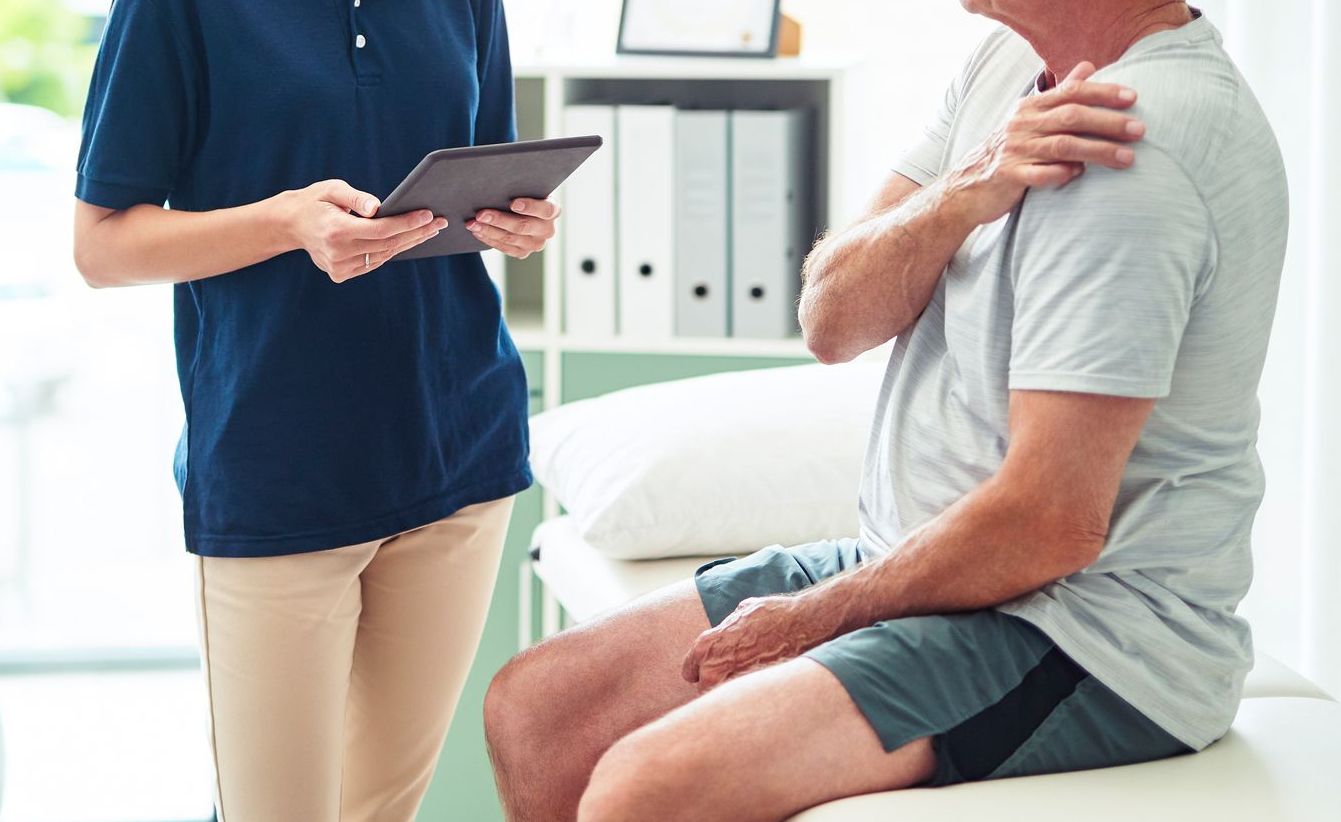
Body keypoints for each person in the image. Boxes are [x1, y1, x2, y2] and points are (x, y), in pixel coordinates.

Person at [483, 3, 1289, 821]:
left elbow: (1049, 523)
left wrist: (807, 618)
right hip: (925, 566)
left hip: (1086, 632)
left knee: (645, 788)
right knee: (540, 706)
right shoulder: (1004, 69)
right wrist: (963, 191)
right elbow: (831, 320)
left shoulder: (1123, 143)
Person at [71, 2, 555, 820]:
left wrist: (517, 223)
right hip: (276, 468)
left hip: (458, 452)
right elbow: (102, 245)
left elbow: (482, 181)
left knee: (379, 812)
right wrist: (284, 223)